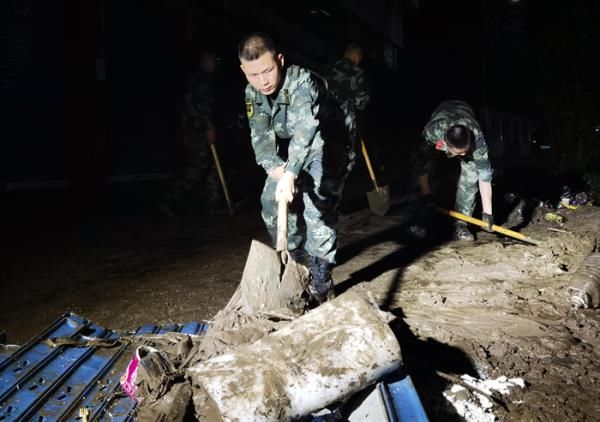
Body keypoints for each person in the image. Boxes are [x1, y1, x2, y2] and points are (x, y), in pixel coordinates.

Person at [238, 32, 351, 304]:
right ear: (243, 70)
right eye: (253, 74)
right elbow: (261, 137)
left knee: (317, 208)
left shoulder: (302, 82)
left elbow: (305, 131)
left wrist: (291, 173)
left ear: (280, 60)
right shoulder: (253, 93)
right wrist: (275, 169)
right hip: (297, 149)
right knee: (270, 199)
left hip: (330, 141)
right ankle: (297, 263)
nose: (262, 81)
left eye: (268, 70)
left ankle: (322, 282)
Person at [413, 100, 494, 241]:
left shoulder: (476, 136)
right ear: (445, 143)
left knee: (470, 177)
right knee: (426, 171)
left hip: (465, 110)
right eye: (459, 152)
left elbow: (484, 176)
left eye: (465, 151)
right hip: (442, 113)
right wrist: (426, 195)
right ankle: (420, 220)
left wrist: (488, 214)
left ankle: (461, 225)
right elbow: (421, 165)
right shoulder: (433, 132)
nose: (463, 155)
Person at [161, 51, 221, 217]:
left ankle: (212, 203)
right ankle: (171, 199)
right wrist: (209, 128)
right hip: (197, 130)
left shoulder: (197, 80)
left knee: (211, 167)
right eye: (212, 60)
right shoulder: (201, 82)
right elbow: (202, 108)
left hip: (193, 129)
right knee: (199, 166)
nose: (215, 63)